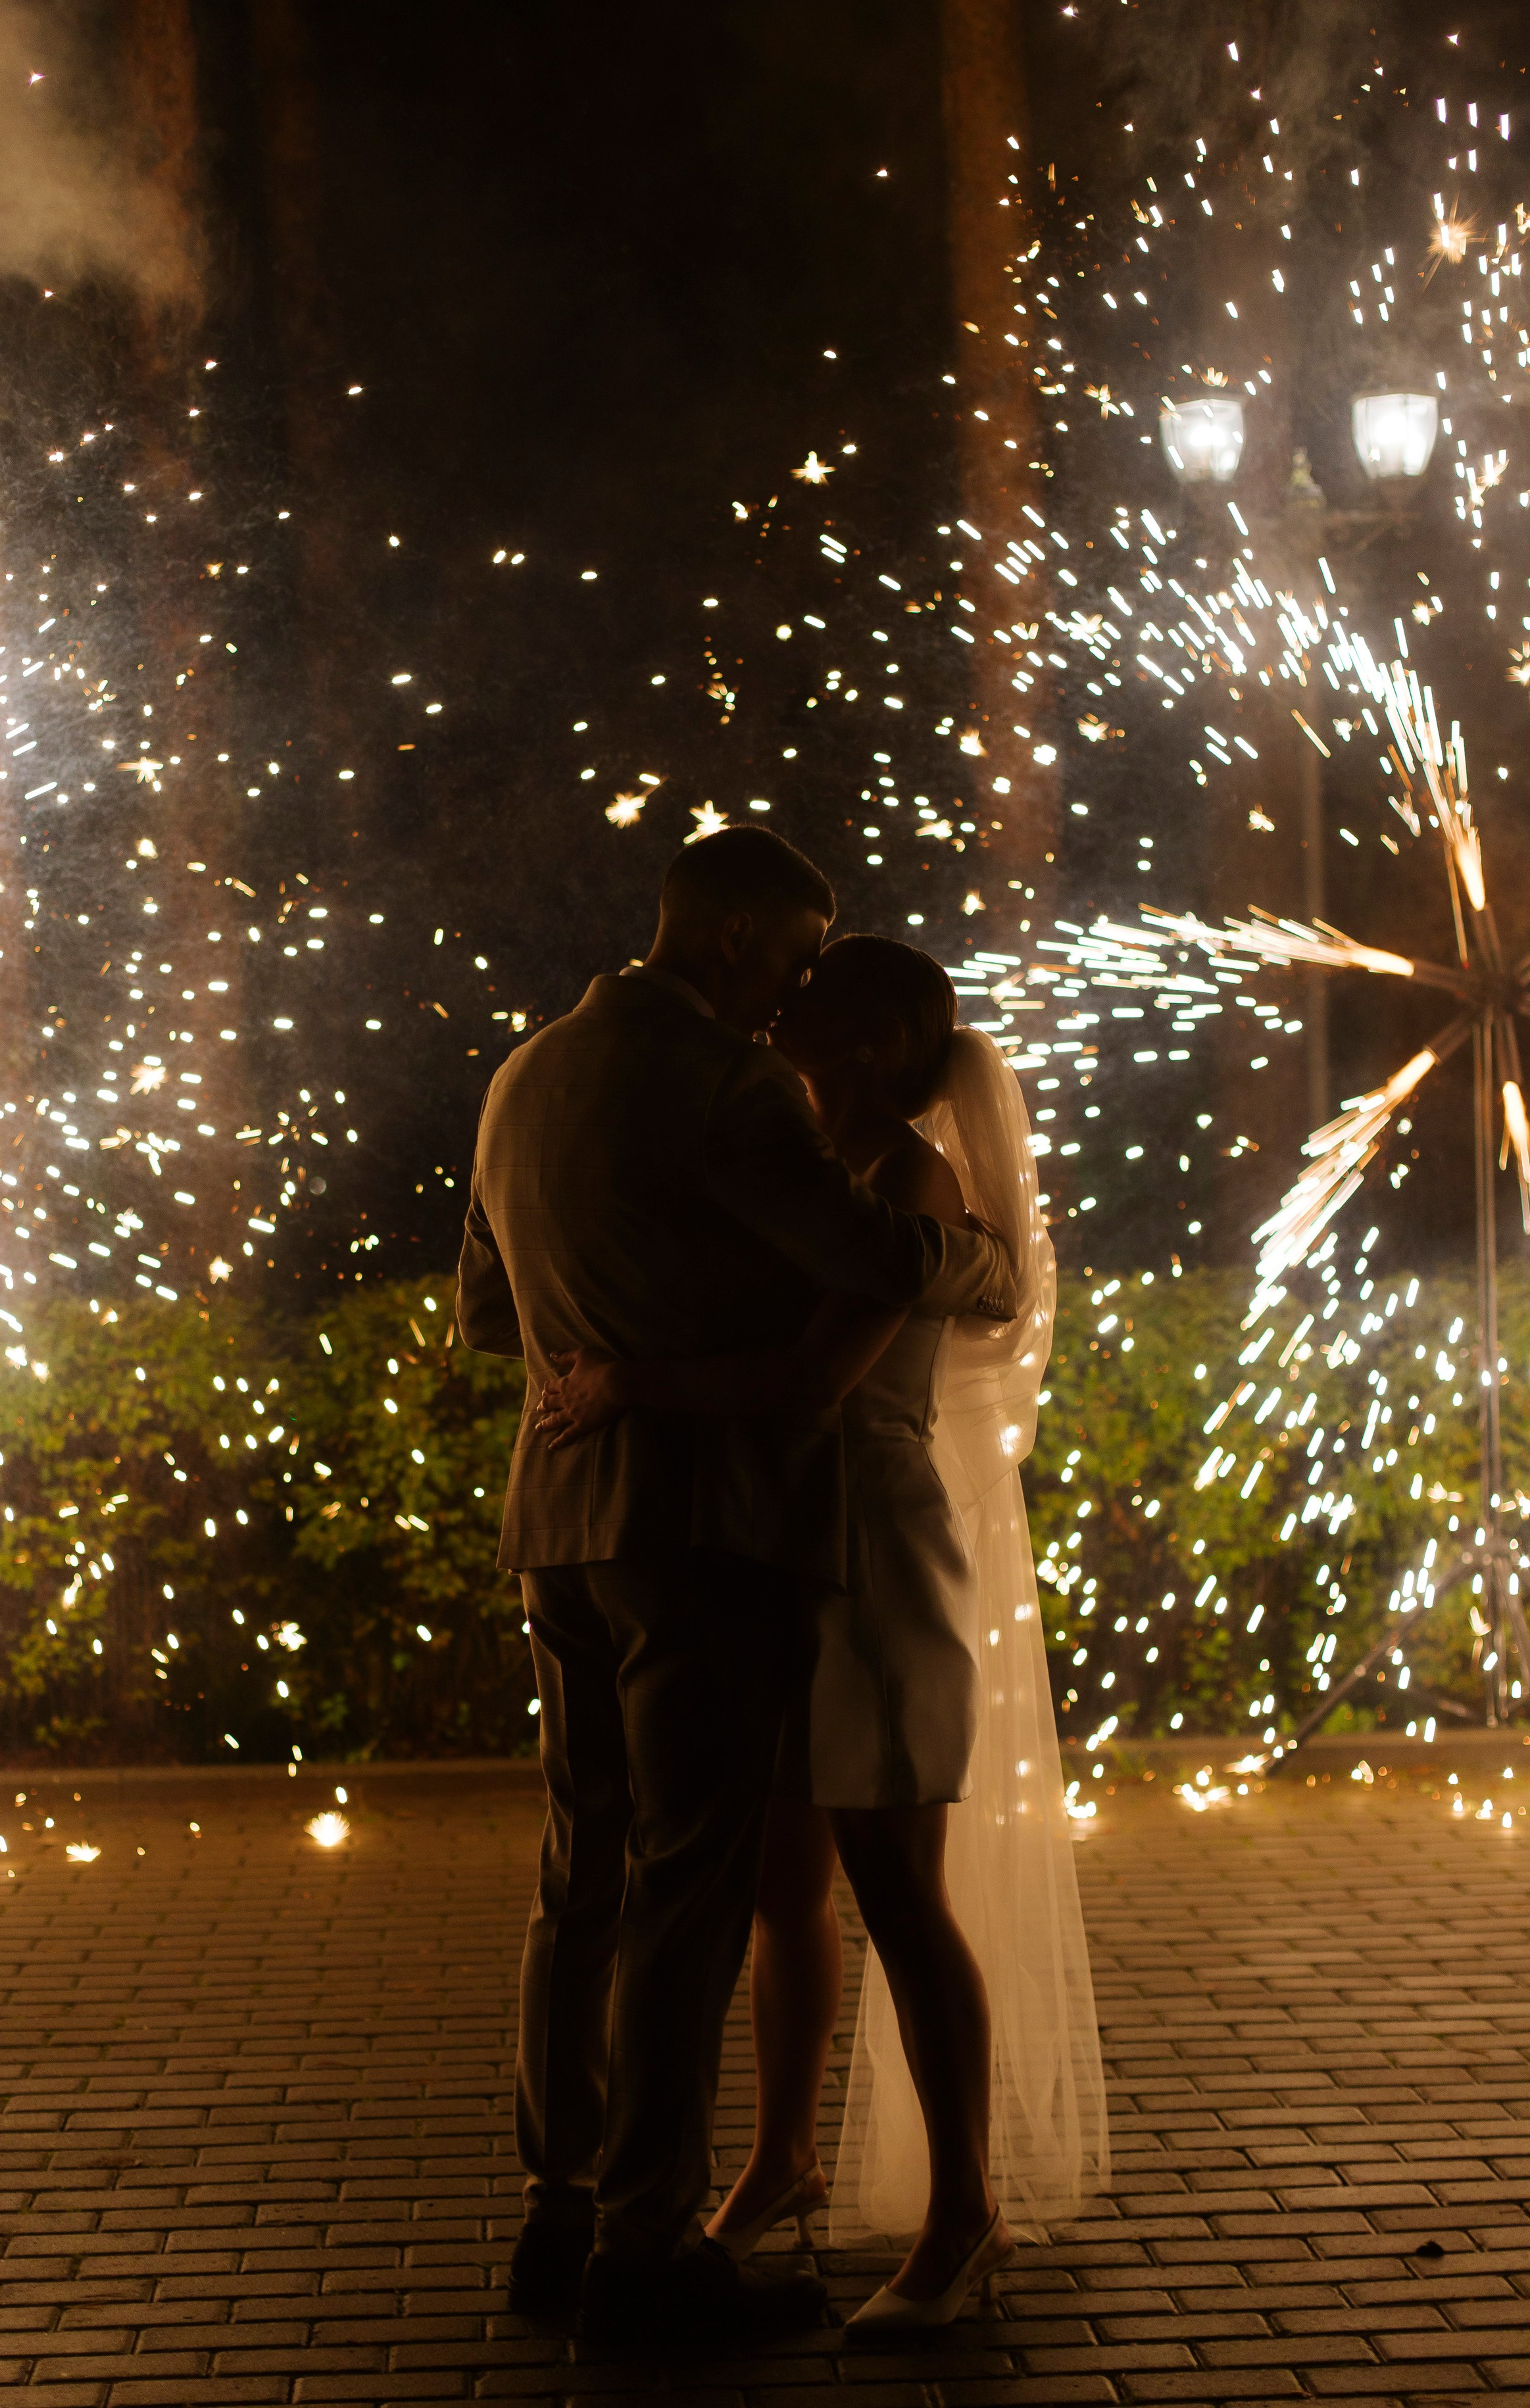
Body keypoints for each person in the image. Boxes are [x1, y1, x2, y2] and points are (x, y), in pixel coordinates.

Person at [455, 833, 1016, 2350]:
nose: (790, 996)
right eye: (791, 952)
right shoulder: (723, 1083)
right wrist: (981, 1263)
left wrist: (602, 1365)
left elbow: (485, 1312)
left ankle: (555, 2206)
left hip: (555, 1521)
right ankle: (647, 2243)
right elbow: (866, 1250)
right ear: (732, 938)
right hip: (693, 1531)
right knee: (686, 1887)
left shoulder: (519, 1076)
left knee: (577, 1876)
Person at [537, 933, 1107, 2332]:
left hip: (872, 1549)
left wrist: (629, 1382)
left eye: (805, 1010)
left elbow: (812, 1380)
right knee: (781, 1881)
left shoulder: (912, 1182)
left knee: (899, 1890)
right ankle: (781, 2157)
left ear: (862, 1043)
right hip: (777, 1545)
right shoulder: (793, 1161)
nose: (774, 1019)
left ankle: (961, 2213)